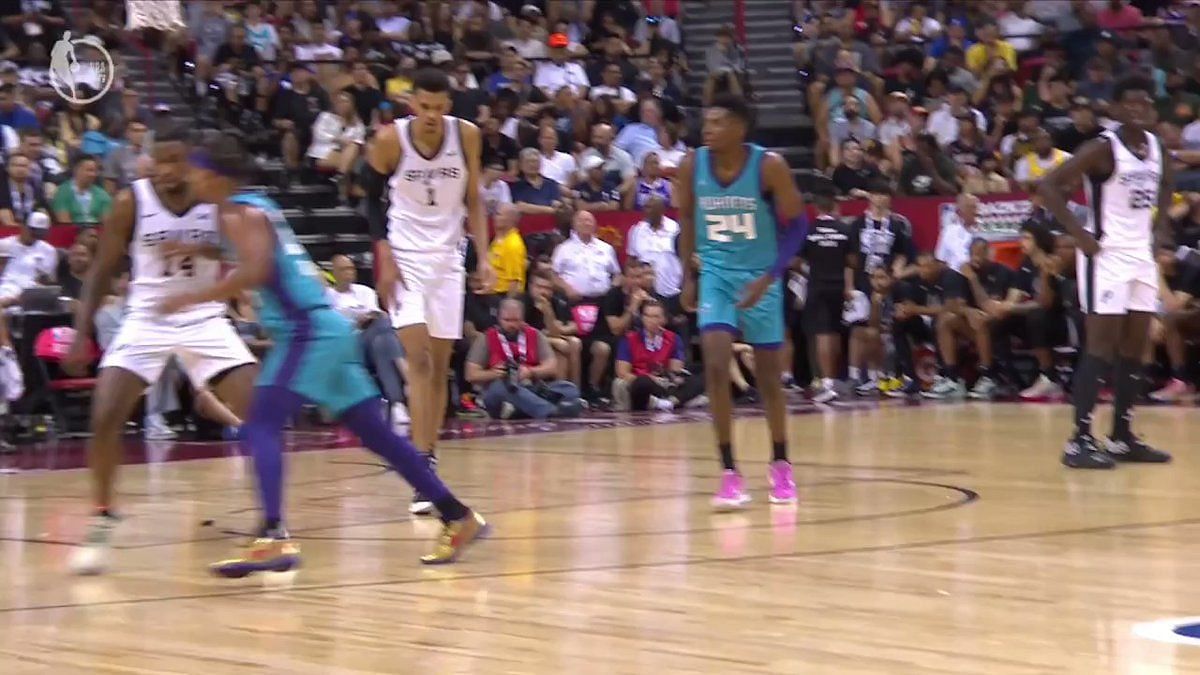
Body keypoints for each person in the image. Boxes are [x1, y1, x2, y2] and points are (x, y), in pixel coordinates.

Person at [150, 135, 488, 574]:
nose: (190, 177)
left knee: (262, 424)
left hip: (307, 332)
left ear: (212, 175)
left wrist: (195, 297)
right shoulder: (252, 206)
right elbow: (249, 252)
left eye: (194, 170)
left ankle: (272, 535)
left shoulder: (237, 212)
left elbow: (257, 268)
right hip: (329, 329)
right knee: (378, 436)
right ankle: (457, 516)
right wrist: (197, 249)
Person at [63, 127, 260, 575]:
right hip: (147, 316)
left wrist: (200, 246)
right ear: (149, 160)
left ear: (193, 161)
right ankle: (103, 515)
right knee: (105, 415)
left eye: (178, 161)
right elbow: (100, 271)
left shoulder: (213, 196)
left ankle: (271, 522)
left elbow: (243, 246)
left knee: (258, 409)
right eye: (161, 161)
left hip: (204, 315)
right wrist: (80, 334)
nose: (168, 171)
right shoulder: (131, 202)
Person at [363, 68, 496, 514]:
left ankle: (428, 455)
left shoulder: (468, 137)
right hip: (405, 258)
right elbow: (367, 199)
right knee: (417, 361)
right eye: (425, 107)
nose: (432, 115)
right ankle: (420, 471)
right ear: (412, 103)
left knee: (439, 368)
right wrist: (383, 257)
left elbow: (474, 199)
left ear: (449, 107)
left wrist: (486, 255)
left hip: (448, 258)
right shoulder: (390, 140)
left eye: (440, 108)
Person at [676, 93, 809, 509]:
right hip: (715, 273)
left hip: (760, 277)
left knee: (769, 378)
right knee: (716, 366)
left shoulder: (769, 165)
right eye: (705, 122)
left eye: (716, 122)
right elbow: (686, 220)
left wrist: (770, 277)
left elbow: (798, 223)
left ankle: (781, 463)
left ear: (739, 128)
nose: (707, 129)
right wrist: (688, 277)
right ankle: (730, 472)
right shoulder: (691, 165)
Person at [1038, 74, 1174, 469]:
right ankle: (1079, 440)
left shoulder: (1156, 146)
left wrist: (1161, 226)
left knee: (1135, 350)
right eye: (1128, 104)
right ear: (1114, 110)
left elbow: (1166, 186)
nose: (1137, 109)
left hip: (1141, 256)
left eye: (1143, 103)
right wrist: (1080, 235)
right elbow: (1049, 186)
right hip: (1106, 255)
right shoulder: (1102, 147)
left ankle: (1122, 435)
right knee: (1099, 348)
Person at [465, 297, 581, 420]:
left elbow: (552, 366)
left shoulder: (534, 335)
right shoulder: (486, 338)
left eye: (516, 320)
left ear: (523, 319)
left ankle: (520, 410)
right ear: (498, 319)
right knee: (504, 387)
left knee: (568, 389)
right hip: (498, 389)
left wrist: (530, 372)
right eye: (507, 320)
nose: (512, 325)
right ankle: (551, 411)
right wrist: (494, 374)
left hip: (530, 386)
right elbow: (470, 374)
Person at [327, 254, 409, 425]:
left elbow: (378, 315)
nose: (349, 273)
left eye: (351, 268)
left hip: (370, 340)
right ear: (334, 272)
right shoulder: (328, 296)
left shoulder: (365, 291)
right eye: (344, 269)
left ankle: (397, 404)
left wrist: (365, 319)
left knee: (382, 341)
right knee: (384, 329)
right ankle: (408, 377)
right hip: (347, 345)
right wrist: (356, 322)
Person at [801, 186, 858, 404]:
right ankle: (833, 379)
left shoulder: (809, 230)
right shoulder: (844, 229)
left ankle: (826, 383)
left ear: (815, 207)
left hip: (818, 285)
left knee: (823, 334)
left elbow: (796, 260)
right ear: (834, 205)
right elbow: (852, 262)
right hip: (838, 286)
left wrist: (811, 268)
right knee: (834, 332)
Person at [613, 299, 705, 411]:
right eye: (647, 316)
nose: (651, 321)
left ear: (664, 319)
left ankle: (671, 401)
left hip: (664, 383)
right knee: (640, 383)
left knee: (703, 376)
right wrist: (649, 378)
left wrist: (669, 377)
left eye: (656, 317)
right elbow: (622, 372)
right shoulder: (629, 339)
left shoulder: (673, 339)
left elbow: (675, 371)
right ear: (642, 318)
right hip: (640, 382)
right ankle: (673, 401)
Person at [0, 210, 56, 306]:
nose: (35, 235)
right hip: (7, 289)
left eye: (39, 232)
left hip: (32, 292)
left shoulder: (48, 250)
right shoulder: (5, 244)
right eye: (32, 231)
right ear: (23, 226)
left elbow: (47, 280)